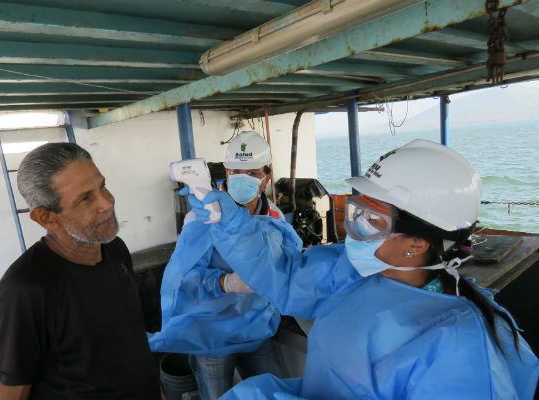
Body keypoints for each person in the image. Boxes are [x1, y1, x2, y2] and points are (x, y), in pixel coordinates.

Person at [186, 139, 539, 399]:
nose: (354, 229)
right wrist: (233, 226)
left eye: (372, 220)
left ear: (417, 244)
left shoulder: (458, 347)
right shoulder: (356, 272)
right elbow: (289, 278)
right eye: (357, 211)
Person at [0, 143, 159, 399]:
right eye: (85, 198)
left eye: (102, 186)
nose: (107, 202)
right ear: (46, 218)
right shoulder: (23, 292)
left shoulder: (114, 250)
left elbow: (132, 345)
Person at [149, 131, 301, 399]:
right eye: (235, 171)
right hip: (212, 335)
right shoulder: (202, 216)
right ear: (226, 173)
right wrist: (226, 283)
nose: (242, 179)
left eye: (252, 172)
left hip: (257, 328)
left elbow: (287, 264)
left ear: (267, 175)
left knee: (274, 389)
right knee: (215, 394)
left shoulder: (274, 216)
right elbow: (182, 278)